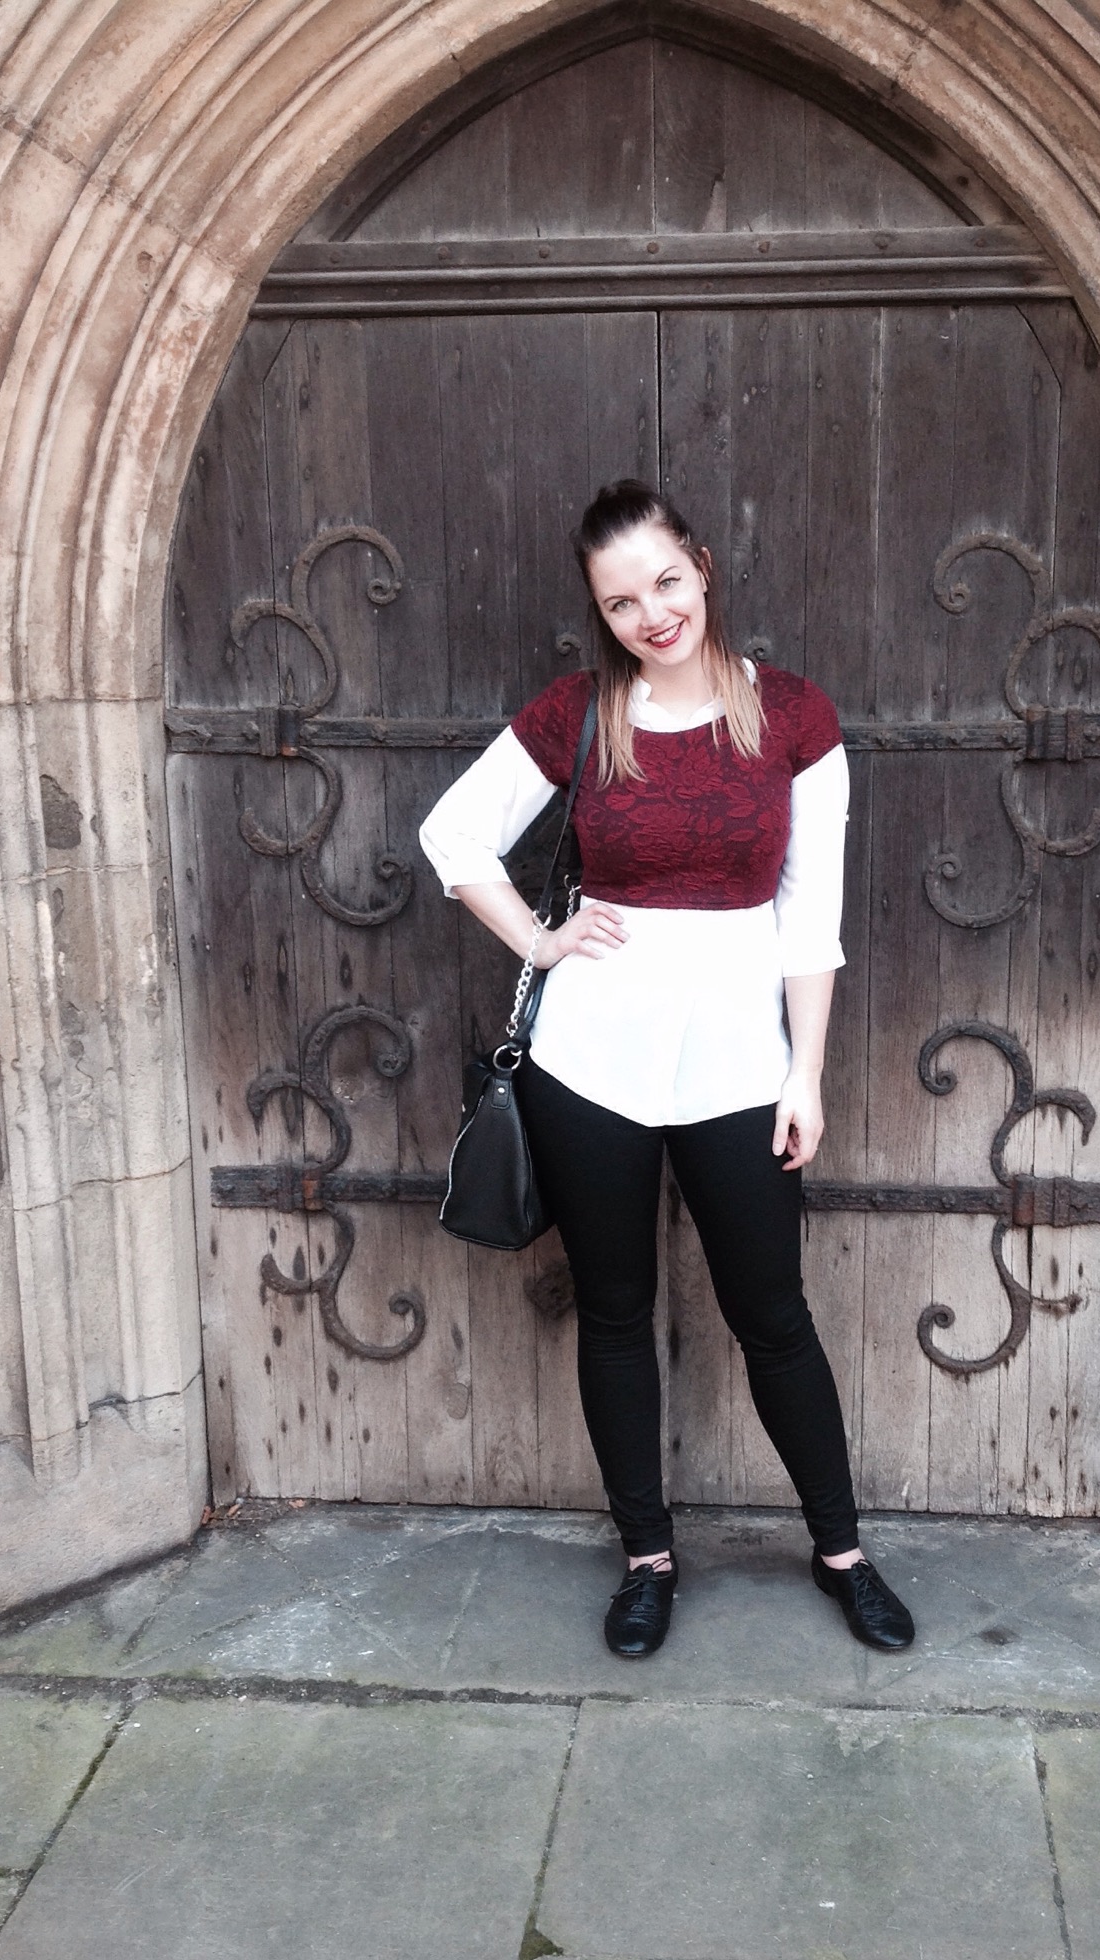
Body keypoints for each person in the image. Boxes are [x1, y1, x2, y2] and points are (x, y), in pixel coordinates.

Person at [419, 479, 914, 1659]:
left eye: (666, 582)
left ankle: (842, 1551)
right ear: (600, 612)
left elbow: (811, 922)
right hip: (590, 1065)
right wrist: (539, 937)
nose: (653, 613)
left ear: (701, 565)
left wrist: (806, 1075)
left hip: (741, 1067)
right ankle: (647, 1557)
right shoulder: (581, 715)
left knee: (773, 1313)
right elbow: (453, 834)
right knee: (615, 1309)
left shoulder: (792, 716)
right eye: (621, 601)